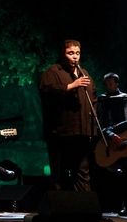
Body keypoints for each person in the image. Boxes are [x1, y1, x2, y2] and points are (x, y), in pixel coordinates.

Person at [39, 39, 97, 192]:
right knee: (60, 172)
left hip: (82, 133)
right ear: (63, 54)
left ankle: (83, 208)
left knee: (82, 172)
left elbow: (93, 102)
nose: (75, 57)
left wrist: (93, 129)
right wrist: (72, 85)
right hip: (61, 133)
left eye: (77, 53)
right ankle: (60, 209)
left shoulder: (85, 74)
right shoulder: (52, 72)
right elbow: (48, 93)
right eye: (70, 53)